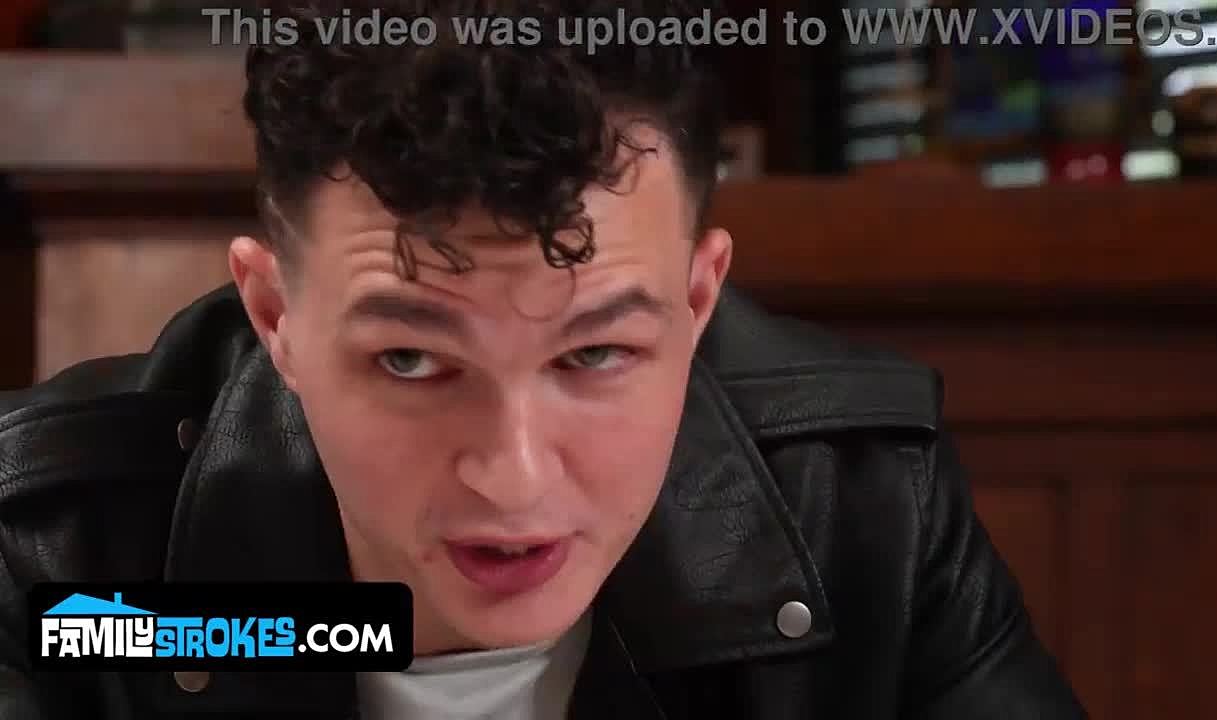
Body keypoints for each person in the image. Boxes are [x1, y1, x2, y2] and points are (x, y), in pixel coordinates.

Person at [0, 2, 1086, 717]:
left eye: (596, 352)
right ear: (275, 315)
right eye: (410, 360)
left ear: (698, 300)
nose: (512, 480)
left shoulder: (862, 505)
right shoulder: (61, 564)